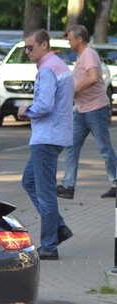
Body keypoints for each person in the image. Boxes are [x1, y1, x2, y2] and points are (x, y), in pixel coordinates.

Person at [18, 29, 74, 260]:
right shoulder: (58, 64)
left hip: (46, 137)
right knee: (29, 181)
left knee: (45, 193)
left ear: (44, 45)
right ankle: (58, 227)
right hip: (55, 134)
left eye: (30, 47)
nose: (27, 52)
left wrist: (25, 111)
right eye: (25, 48)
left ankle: (49, 245)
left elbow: (44, 105)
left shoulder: (48, 69)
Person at [57, 24, 117, 200]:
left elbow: (93, 78)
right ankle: (68, 186)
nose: (68, 42)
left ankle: (116, 182)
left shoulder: (89, 55)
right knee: (71, 146)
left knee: (104, 148)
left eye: (70, 39)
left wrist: (74, 90)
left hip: (96, 109)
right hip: (81, 110)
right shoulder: (82, 56)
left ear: (79, 39)